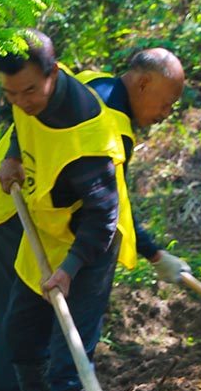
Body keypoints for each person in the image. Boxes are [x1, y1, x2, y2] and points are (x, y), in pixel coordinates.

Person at [0, 29, 137, 391]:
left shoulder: (88, 138)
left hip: (89, 248)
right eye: (10, 93)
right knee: (19, 333)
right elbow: (24, 125)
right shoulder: (25, 98)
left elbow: (103, 219)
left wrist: (70, 269)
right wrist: (13, 157)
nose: (21, 100)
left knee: (70, 351)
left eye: (29, 90)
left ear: (53, 73)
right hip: (46, 230)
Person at [79, 48, 191, 284]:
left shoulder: (91, 80)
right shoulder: (113, 125)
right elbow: (112, 205)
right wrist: (156, 255)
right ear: (144, 83)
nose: (166, 113)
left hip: (11, 196)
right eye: (166, 103)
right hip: (17, 206)